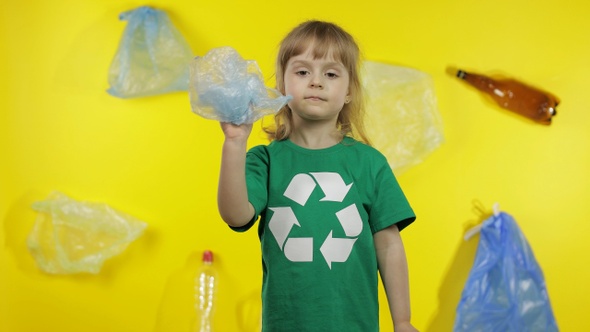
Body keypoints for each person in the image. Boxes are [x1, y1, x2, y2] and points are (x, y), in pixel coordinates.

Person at [217, 20, 418, 332]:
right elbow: (235, 215)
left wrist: (402, 320)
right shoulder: (265, 160)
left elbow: (389, 245)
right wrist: (234, 142)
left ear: (350, 91)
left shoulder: (370, 163)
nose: (316, 82)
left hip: (356, 325)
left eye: (331, 73)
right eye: (302, 71)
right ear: (281, 87)